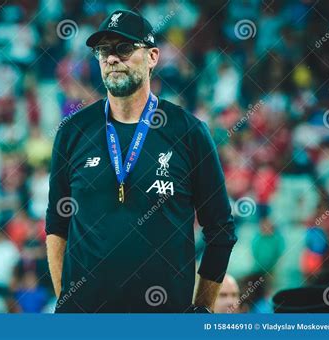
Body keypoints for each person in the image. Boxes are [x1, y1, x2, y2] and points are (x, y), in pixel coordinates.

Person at [45, 9, 237, 313]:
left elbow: (221, 230)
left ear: (152, 57)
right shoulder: (73, 131)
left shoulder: (188, 132)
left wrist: (201, 310)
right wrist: (65, 301)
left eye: (124, 48)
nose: (111, 59)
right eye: (103, 50)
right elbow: (57, 227)